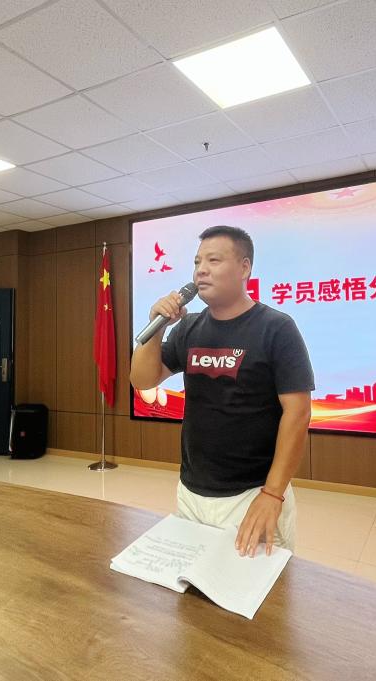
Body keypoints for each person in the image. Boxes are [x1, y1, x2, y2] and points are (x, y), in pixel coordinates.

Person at [130, 225, 314, 557]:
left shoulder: (276, 327)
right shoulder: (189, 327)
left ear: (244, 268)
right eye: (197, 261)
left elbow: (298, 413)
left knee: (258, 587)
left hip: (252, 493)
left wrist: (272, 494)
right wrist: (157, 328)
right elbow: (142, 380)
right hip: (192, 491)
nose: (201, 270)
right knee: (193, 584)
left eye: (213, 260)